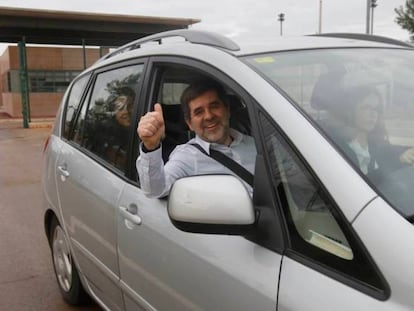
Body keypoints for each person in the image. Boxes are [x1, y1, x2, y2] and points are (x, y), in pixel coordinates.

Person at [136, 79, 257, 198]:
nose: (209, 116)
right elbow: (155, 190)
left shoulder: (256, 145)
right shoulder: (187, 157)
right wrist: (151, 147)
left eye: (214, 106)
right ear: (189, 123)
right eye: (199, 112)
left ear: (227, 110)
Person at [329, 86, 414, 181]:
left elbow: (392, 151)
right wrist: (398, 161)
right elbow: (362, 183)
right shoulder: (339, 149)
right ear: (351, 111)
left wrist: (406, 154)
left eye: (376, 109)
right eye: (366, 108)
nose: (373, 114)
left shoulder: (375, 143)